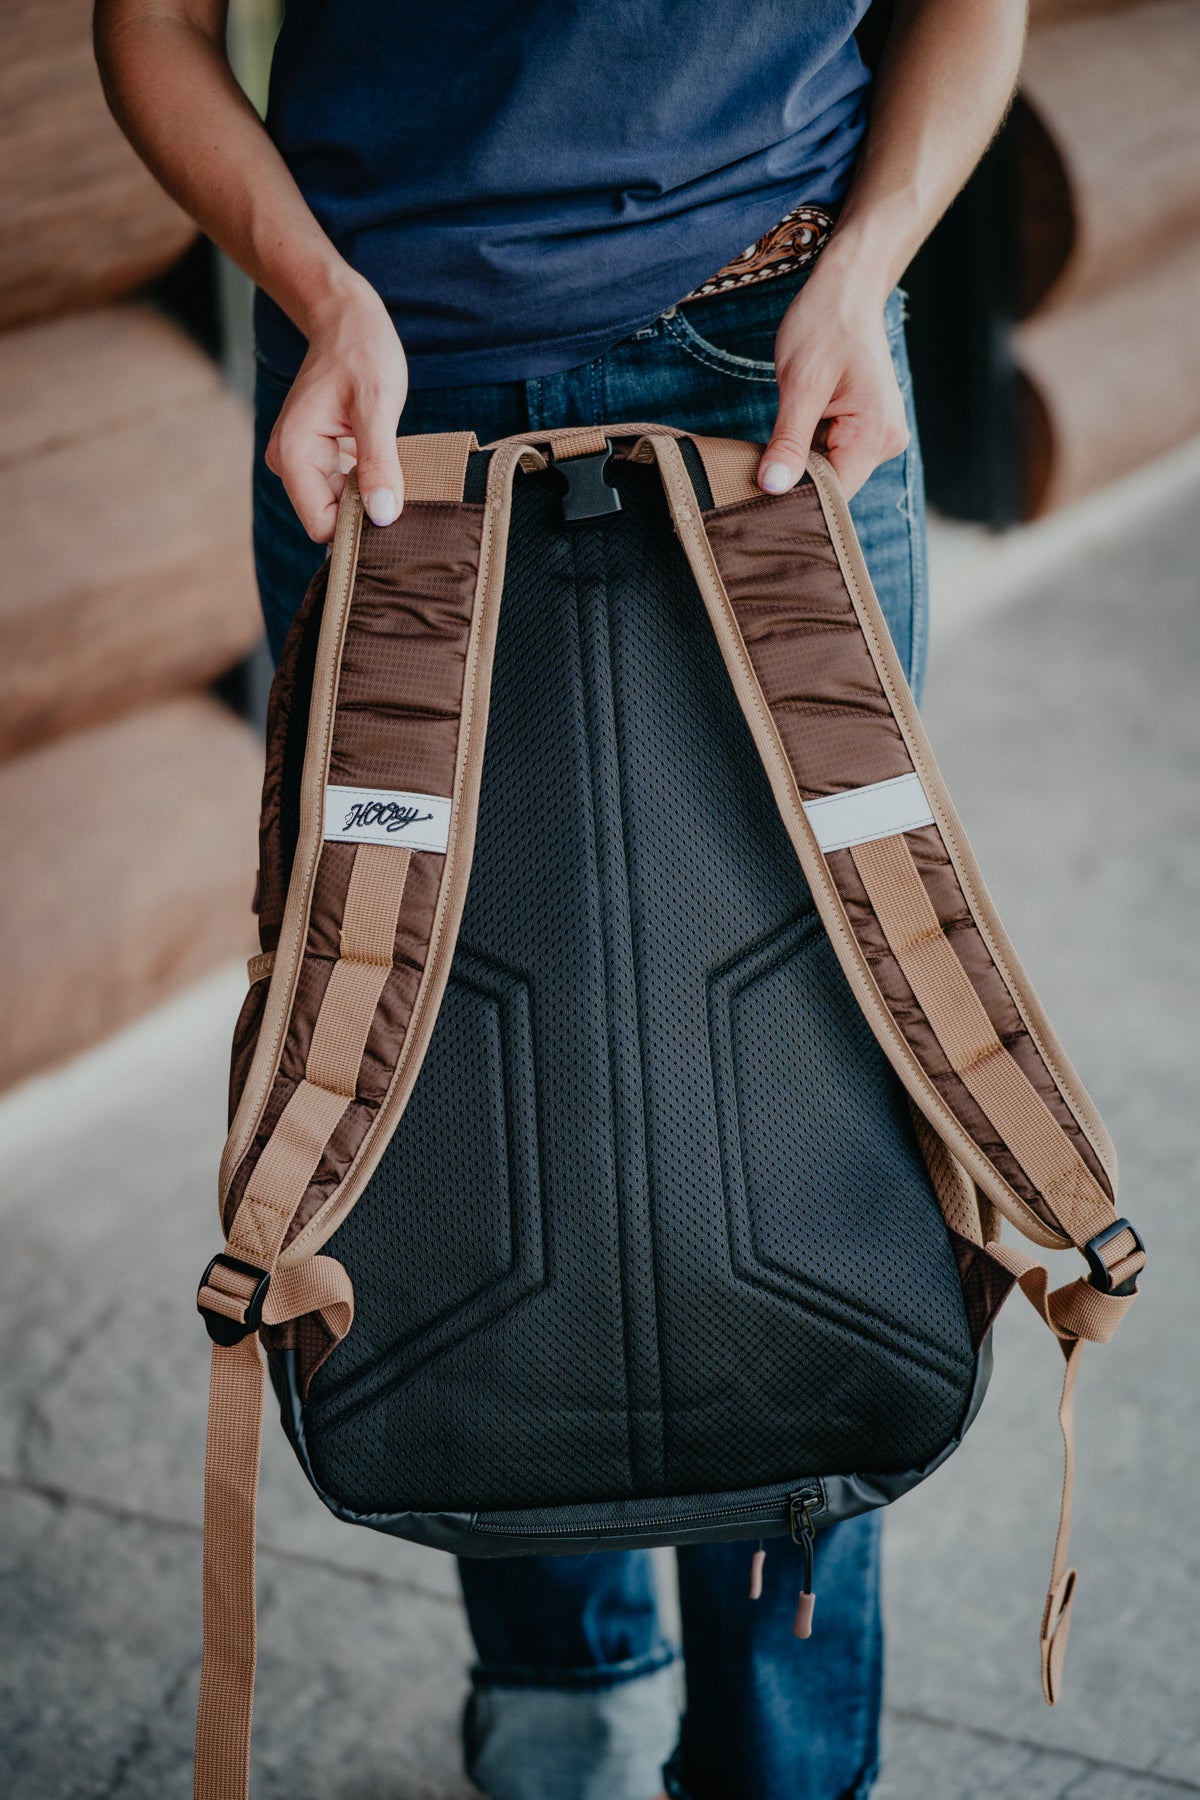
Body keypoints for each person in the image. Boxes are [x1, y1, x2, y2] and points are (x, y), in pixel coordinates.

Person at [95, 3, 1027, 1794]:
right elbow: (150, 30)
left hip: (775, 362)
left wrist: (872, 264)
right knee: (439, 1096)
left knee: (809, 1104)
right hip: (385, 391)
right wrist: (316, 294)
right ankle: (560, 1710)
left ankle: (780, 1772)